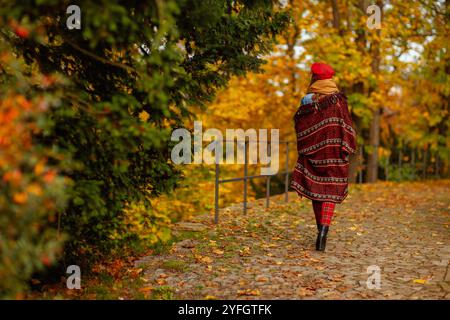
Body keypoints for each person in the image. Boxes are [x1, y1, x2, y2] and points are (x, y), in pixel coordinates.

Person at [291, 62, 357, 251]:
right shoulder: (339, 100)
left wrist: (308, 143)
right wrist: (346, 145)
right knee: (329, 191)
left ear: (314, 78)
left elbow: (300, 125)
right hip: (334, 153)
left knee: (316, 189)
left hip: (312, 153)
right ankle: (324, 232)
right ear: (330, 78)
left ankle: (319, 228)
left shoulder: (307, 99)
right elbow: (346, 123)